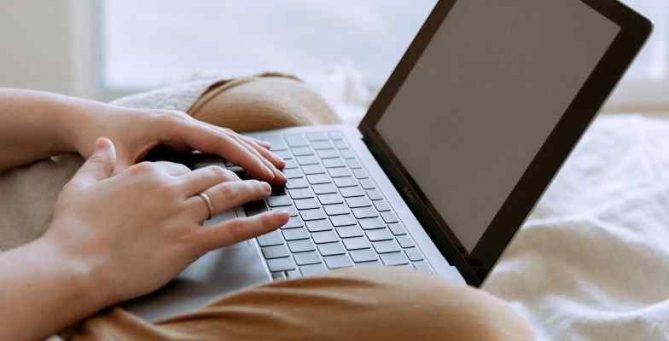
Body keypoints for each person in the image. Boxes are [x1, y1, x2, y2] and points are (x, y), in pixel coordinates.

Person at [0, 85, 533, 340]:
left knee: (269, 107)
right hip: (39, 286)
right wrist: (77, 259)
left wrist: (85, 120)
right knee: (473, 329)